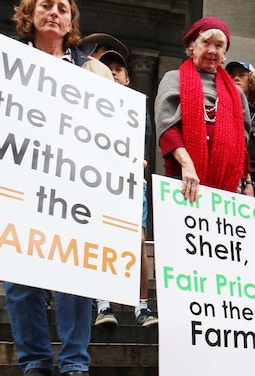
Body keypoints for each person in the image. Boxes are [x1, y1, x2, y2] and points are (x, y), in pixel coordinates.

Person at [0, 0, 113, 376]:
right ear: (29, 13)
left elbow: (113, 129)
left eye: (62, 7)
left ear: (70, 20)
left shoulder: (93, 71)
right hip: (15, 183)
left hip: (75, 189)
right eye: (46, 5)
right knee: (19, 275)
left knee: (75, 272)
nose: (54, 12)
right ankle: (35, 364)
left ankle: (75, 364)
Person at [90, 47, 158, 327]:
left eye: (118, 70)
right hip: (93, 178)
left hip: (128, 179)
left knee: (137, 241)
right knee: (100, 237)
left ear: (128, 79)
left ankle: (141, 305)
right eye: (108, 69)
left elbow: (144, 135)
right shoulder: (87, 101)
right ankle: (103, 303)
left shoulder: (136, 106)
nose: (114, 74)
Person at [155, 16, 252, 203]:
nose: (211, 50)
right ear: (192, 47)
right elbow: (166, 127)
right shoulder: (173, 79)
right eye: (206, 42)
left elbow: (242, 141)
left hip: (229, 187)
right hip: (184, 178)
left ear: (224, 54)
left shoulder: (237, 93)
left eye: (218, 46)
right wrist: (187, 164)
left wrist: (247, 182)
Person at [226, 60, 255, 195]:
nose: (236, 78)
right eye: (231, 76)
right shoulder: (219, 108)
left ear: (252, 82)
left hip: (249, 183)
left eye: (242, 75)